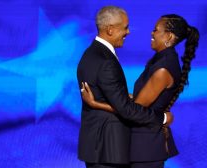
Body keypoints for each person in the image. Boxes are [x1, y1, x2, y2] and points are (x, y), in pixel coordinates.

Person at [81, 14, 200, 168]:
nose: (152, 33)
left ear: (169, 36)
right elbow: (139, 100)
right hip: (141, 145)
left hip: (145, 149)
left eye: (156, 30)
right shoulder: (159, 60)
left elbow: (132, 111)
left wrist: (95, 103)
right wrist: (115, 95)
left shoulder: (163, 68)